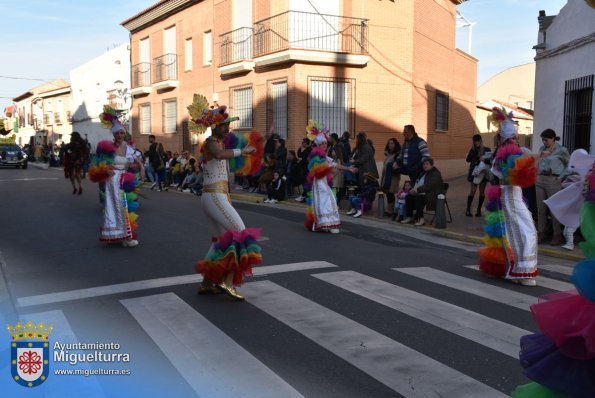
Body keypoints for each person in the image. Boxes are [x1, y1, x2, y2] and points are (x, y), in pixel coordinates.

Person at [191, 99, 262, 301]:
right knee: (240, 233)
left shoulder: (220, 143)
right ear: (215, 126)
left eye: (228, 124)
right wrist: (243, 151)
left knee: (220, 242)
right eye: (225, 124)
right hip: (214, 196)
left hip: (217, 196)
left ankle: (206, 284)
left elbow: (227, 153)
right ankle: (226, 281)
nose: (228, 127)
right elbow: (220, 155)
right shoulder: (211, 143)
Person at [479, 107, 538, 286]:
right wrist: (536, 158)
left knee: (517, 232)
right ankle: (522, 272)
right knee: (524, 232)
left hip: (510, 194)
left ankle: (519, 270)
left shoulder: (503, 151)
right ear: (511, 136)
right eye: (515, 135)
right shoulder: (511, 151)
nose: (517, 138)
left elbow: (500, 173)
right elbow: (511, 174)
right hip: (510, 194)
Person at [89, 106, 145, 247]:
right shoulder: (108, 147)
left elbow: (136, 160)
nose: (120, 135)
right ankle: (125, 237)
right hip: (112, 181)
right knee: (117, 207)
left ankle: (121, 235)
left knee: (123, 207)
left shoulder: (128, 148)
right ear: (114, 134)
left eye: (122, 133)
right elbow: (99, 163)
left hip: (123, 180)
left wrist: (142, 168)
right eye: (118, 133)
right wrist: (107, 170)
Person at [304, 120, 355, 234]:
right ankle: (322, 224)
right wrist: (327, 169)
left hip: (325, 183)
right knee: (322, 202)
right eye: (323, 144)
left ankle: (329, 223)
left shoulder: (325, 156)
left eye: (326, 143)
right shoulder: (315, 155)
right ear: (318, 144)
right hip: (318, 183)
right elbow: (316, 170)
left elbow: (335, 164)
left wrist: (348, 168)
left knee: (329, 200)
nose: (325, 145)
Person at [535, 128, 570, 245]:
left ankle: (557, 234)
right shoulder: (541, 149)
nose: (544, 142)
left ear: (553, 139)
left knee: (553, 209)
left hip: (553, 180)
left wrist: (561, 176)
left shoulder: (561, 150)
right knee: (541, 209)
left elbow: (569, 165)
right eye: (543, 140)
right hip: (540, 179)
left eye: (546, 140)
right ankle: (541, 233)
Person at [400, 158, 444, 226]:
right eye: (423, 164)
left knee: (419, 198)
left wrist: (417, 190)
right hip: (422, 192)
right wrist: (413, 190)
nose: (425, 165)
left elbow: (429, 185)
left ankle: (421, 219)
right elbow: (418, 183)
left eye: (427, 164)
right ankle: (409, 217)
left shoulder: (435, 173)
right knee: (409, 196)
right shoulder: (423, 173)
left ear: (431, 165)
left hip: (432, 195)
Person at [465, 134, 492, 217]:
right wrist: (473, 152)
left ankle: (478, 210)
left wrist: (484, 159)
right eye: (475, 141)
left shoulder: (487, 149)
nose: (476, 142)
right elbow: (468, 160)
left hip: (483, 172)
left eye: (478, 141)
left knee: (482, 192)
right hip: (475, 172)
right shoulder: (472, 150)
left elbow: (490, 161)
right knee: (472, 191)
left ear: (481, 141)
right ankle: (468, 209)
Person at [380, 137, 402, 218]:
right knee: (387, 192)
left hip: (393, 176)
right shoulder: (388, 154)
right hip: (386, 175)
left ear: (395, 144)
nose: (390, 145)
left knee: (390, 192)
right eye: (389, 143)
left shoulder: (397, 155)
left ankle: (390, 210)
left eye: (392, 143)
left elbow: (396, 166)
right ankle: (389, 209)